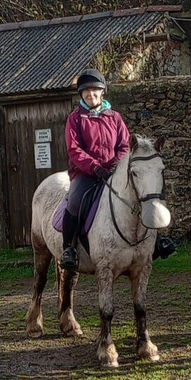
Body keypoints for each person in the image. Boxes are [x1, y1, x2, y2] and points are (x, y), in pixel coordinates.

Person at [61, 68, 131, 271]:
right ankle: (69, 249)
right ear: (81, 94)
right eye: (86, 92)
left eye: (95, 90)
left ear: (102, 92)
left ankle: (153, 243)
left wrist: (114, 165)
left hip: (113, 171)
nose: (91, 95)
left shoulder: (115, 118)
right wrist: (95, 167)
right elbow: (74, 149)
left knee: (139, 193)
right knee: (74, 202)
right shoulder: (75, 119)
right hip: (85, 173)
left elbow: (124, 145)